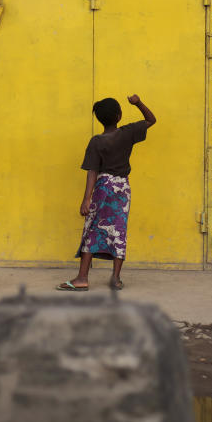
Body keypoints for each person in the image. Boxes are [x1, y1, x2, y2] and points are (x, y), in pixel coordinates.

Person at [56, 94, 156, 291]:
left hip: (103, 188)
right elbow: (151, 120)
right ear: (119, 116)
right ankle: (115, 279)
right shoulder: (128, 132)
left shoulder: (96, 142)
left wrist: (86, 200)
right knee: (119, 230)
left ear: (99, 119)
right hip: (122, 189)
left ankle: (82, 278)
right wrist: (138, 103)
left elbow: (92, 171)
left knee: (92, 230)